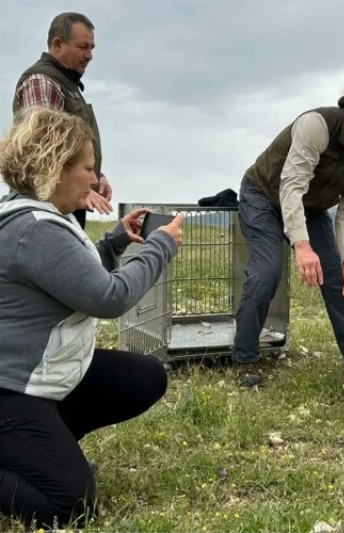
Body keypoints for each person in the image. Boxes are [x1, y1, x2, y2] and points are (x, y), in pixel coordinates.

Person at [0, 108, 184, 529]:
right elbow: (108, 296)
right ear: (56, 168)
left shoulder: (40, 217)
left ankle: (43, 447)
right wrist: (160, 246)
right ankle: (25, 450)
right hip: (10, 392)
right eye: (87, 168)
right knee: (71, 505)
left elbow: (73, 279)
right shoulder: (34, 230)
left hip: (39, 381)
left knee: (144, 376)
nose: (94, 179)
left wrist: (117, 240)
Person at [233, 76, 344, 387]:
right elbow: (291, 186)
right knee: (267, 271)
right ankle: (245, 359)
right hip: (264, 197)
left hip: (310, 210)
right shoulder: (317, 125)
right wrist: (301, 245)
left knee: (341, 277)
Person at [12, 11, 112, 229]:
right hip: (45, 211)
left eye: (92, 48)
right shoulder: (43, 82)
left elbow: (70, 149)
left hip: (60, 206)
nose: (89, 56)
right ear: (58, 44)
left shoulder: (66, 85)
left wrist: (96, 175)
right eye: (83, 47)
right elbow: (41, 153)